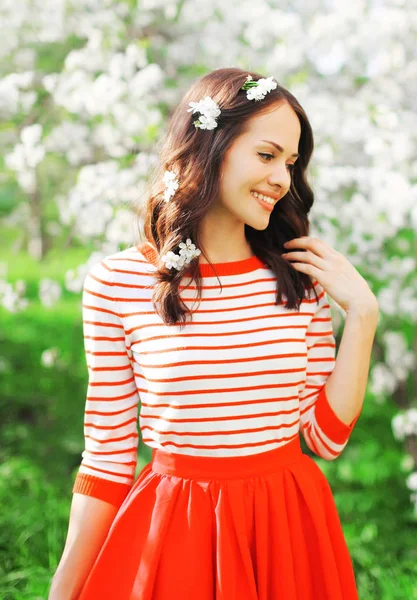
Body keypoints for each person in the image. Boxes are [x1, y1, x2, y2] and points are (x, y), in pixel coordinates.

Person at [49, 67, 379, 600]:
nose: (282, 180)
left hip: (286, 530)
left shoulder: (296, 280)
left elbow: (325, 437)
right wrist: (64, 588)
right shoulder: (118, 283)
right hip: (177, 530)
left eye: (291, 164)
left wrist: (362, 316)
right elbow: (107, 457)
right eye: (267, 155)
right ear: (211, 145)